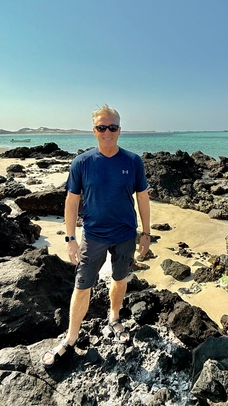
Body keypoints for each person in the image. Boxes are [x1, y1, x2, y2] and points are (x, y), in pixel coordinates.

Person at [41, 104, 151, 368]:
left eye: (112, 127)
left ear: (120, 130)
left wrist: (146, 233)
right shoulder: (82, 163)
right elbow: (71, 201)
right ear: (94, 131)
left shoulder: (133, 161)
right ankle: (70, 338)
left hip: (125, 233)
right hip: (93, 235)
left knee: (120, 279)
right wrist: (70, 238)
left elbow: (143, 198)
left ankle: (114, 318)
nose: (107, 132)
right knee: (82, 285)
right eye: (102, 127)